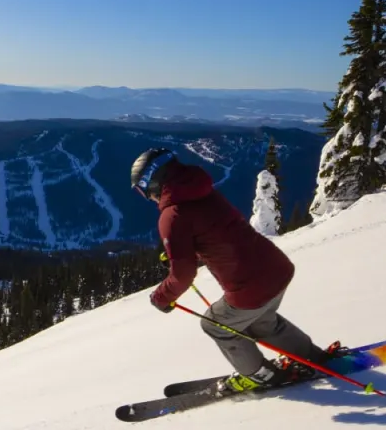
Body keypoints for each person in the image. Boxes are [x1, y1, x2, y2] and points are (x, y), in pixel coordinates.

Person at [131, 147, 339, 390]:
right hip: (277, 268)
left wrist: (161, 297)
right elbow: (217, 234)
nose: (147, 197)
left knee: (215, 325)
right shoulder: (203, 192)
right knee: (262, 323)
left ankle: (260, 376)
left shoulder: (172, 215)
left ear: (153, 183)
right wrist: (180, 251)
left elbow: (183, 275)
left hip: (249, 286)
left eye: (142, 191)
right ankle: (313, 357)